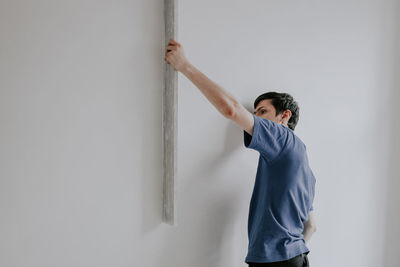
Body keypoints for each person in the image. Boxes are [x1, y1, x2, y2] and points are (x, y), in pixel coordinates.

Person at [164, 39, 317, 267]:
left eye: (263, 112)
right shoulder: (304, 164)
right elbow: (312, 226)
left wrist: (184, 65)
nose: (256, 118)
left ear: (284, 116)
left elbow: (230, 109)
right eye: (255, 112)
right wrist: (293, 255)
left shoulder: (280, 137)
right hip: (294, 257)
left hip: (274, 261)